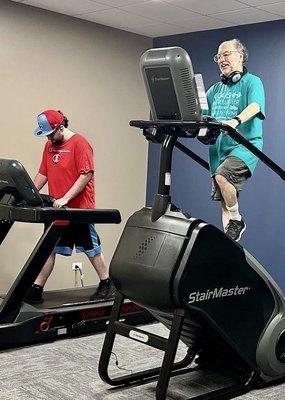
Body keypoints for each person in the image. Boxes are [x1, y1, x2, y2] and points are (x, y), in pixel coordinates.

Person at [26, 109, 115, 303]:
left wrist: (66, 198)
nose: (48, 138)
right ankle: (36, 288)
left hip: (79, 208)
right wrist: (29, 194)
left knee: (91, 248)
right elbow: (43, 173)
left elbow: (86, 174)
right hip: (57, 209)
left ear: (60, 126)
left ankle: (106, 283)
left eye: (50, 133)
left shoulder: (79, 143)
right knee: (47, 248)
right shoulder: (50, 145)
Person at [206, 38, 265, 241]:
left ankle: (237, 219)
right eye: (219, 56)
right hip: (218, 149)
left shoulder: (252, 82)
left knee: (223, 177)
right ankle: (229, 242)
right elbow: (200, 113)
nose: (221, 59)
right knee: (224, 198)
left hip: (245, 145)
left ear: (240, 55)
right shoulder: (215, 90)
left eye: (226, 54)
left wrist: (236, 120)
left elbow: (256, 106)